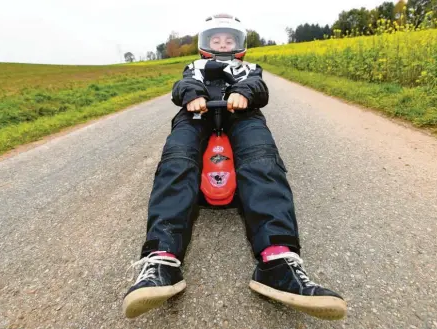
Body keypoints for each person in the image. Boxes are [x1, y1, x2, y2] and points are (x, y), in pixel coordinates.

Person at [122, 13, 347, 320]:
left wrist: (243, 93)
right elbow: (182, 85)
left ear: (240, 44)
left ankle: (277, 260)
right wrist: (193, 95)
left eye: (229, 40)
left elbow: (258, 87)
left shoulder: (249, 69)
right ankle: (161, 258)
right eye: (216, 40)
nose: (222, 44)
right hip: (196, 117)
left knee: (261, 159)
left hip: (242, 116)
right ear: (205, 44)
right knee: (177, 158)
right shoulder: (195, 67)